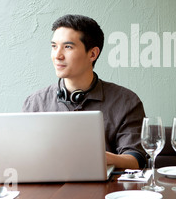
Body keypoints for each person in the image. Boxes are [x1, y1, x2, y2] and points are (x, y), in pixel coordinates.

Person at [22, 14, 146, 169]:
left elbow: (136, 159)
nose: (57, 56)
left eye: (67, 47)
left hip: (106, 190)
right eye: (54, 46)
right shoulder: (35, 103)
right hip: (49, 189)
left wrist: (100, 157)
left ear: (92, 54)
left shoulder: (126, 101)